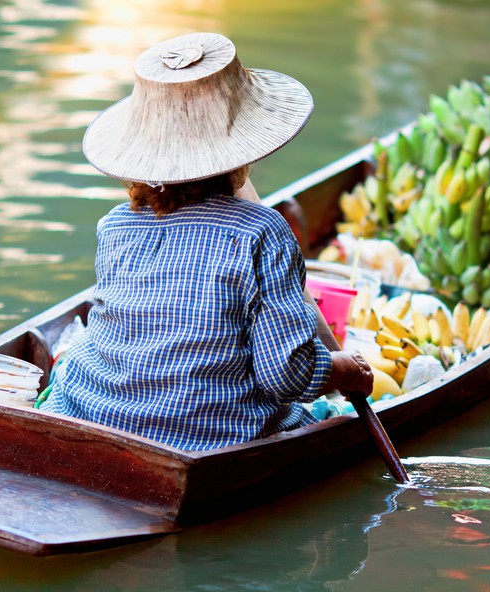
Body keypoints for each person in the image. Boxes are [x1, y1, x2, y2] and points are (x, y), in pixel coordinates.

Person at [40, 32, 373, 451]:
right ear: (242, 153)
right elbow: (286, 376)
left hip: (98, 416)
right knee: (318, 415)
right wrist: (343, 370)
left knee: (75, 360)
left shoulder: (115, 226)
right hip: (215, 437)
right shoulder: (263, 232)